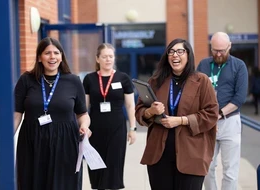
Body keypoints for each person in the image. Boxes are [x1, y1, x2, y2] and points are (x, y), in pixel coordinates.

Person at [135, 38, 219, 190]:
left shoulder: (202, 81)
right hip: (159, 155)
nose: (175, 55)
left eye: (180, 51)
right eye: (171, 52)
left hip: (191, 154)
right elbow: (139, 112)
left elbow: (211, 114)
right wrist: (150, 111)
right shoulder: (156, 81)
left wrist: (181, 120)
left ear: (188, 55)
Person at [14, 37, 91, 190]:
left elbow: (83, 114)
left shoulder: (73, 81)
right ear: (39, 57)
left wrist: (84, 126)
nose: (52, 57)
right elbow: (16, 114)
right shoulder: (26, 80)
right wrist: (5, 144)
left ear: (61, 57)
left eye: (56, 53)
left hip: (65, 143)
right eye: (47, 53)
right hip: (32, 142)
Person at [197, 32, 248, 190]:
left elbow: (239, 99)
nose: (218, 54)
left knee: (230, 171)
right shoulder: (204, 65)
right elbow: (196, 92)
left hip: (229, 122)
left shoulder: (239, 66)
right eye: (215, 50)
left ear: (230, 47)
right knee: (206, 167)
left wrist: (218, 115)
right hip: (207, 124)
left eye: (222, 51)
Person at [83, 43, 136, 190]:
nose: (108, 59)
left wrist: (133, 128)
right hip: (95, 129)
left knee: (114, 167)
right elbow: (84, 107)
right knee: (97, 168)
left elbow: (130, 106)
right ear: (97, 59)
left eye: (111, 56)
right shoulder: (89, 79)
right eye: (104, 56)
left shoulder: (123, 78)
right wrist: (83, 127)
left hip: (117, 129)